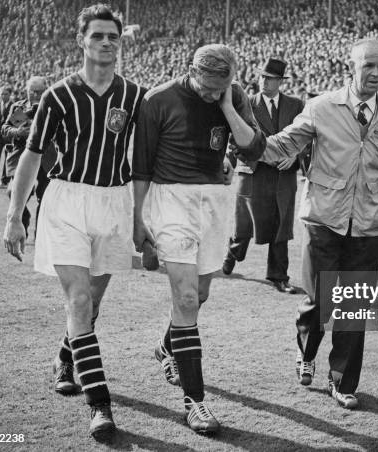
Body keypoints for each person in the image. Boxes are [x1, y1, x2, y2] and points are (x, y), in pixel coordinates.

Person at [3, 4, 146, 440]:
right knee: (79, 301)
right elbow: (31, 155)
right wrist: (14, 216)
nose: (106, 42)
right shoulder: (58, 95)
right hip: (66, 201)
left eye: (113, 37)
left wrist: (145, 218)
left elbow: (145, 160)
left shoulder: (136, 96)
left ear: (120, 44)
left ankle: (66, 356)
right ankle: (100, 406)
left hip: (113, 203)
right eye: (98, 35)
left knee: (93, 304)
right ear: (81, 40)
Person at [260, 38, 378, 409]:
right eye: (369, 65)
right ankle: (307, 350)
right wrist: (248, 144)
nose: (377, 73)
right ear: (351, 67)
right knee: (321, 302)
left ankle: (342, 382)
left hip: (368, 226)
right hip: (323, 220)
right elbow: (284, 144)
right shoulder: (321, 107)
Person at [132, 43, 265, 434]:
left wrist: (225, 106)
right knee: (187, 298)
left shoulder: (234, 96)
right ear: (188, 69)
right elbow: (141, 165)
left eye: (218, 87)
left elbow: (253, 147)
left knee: (199, 296)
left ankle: (165, 346)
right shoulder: (158, 99)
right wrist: (138, 219)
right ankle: (196, 403)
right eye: (205, 87)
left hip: (212, 200)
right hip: (169, 197)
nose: (209, 93)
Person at [222, 57, 305, 294]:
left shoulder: (296, 105)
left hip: (282, 174)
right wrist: (244, 156)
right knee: (244, 225)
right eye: (262, 76)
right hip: (253, 171)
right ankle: (233, 251)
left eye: (269, 78)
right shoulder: (246, 103)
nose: (264, 81)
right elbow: (234, 138)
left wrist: (295, 156)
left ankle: (279, 276)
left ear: (280, 81)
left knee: (281, 225)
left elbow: (306, 136)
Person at [1, 77, 48, 238]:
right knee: (12, 192)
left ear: (45, 91)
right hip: (21, 159)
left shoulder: (52, 106)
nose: (35, 94)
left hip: (46, 159)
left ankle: (41, 234)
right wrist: (18, 132)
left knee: (46, 199)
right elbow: (5, 129)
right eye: (31, 91)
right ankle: (23, 219)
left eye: (39, 92)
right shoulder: (19, 108)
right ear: (26, 91)